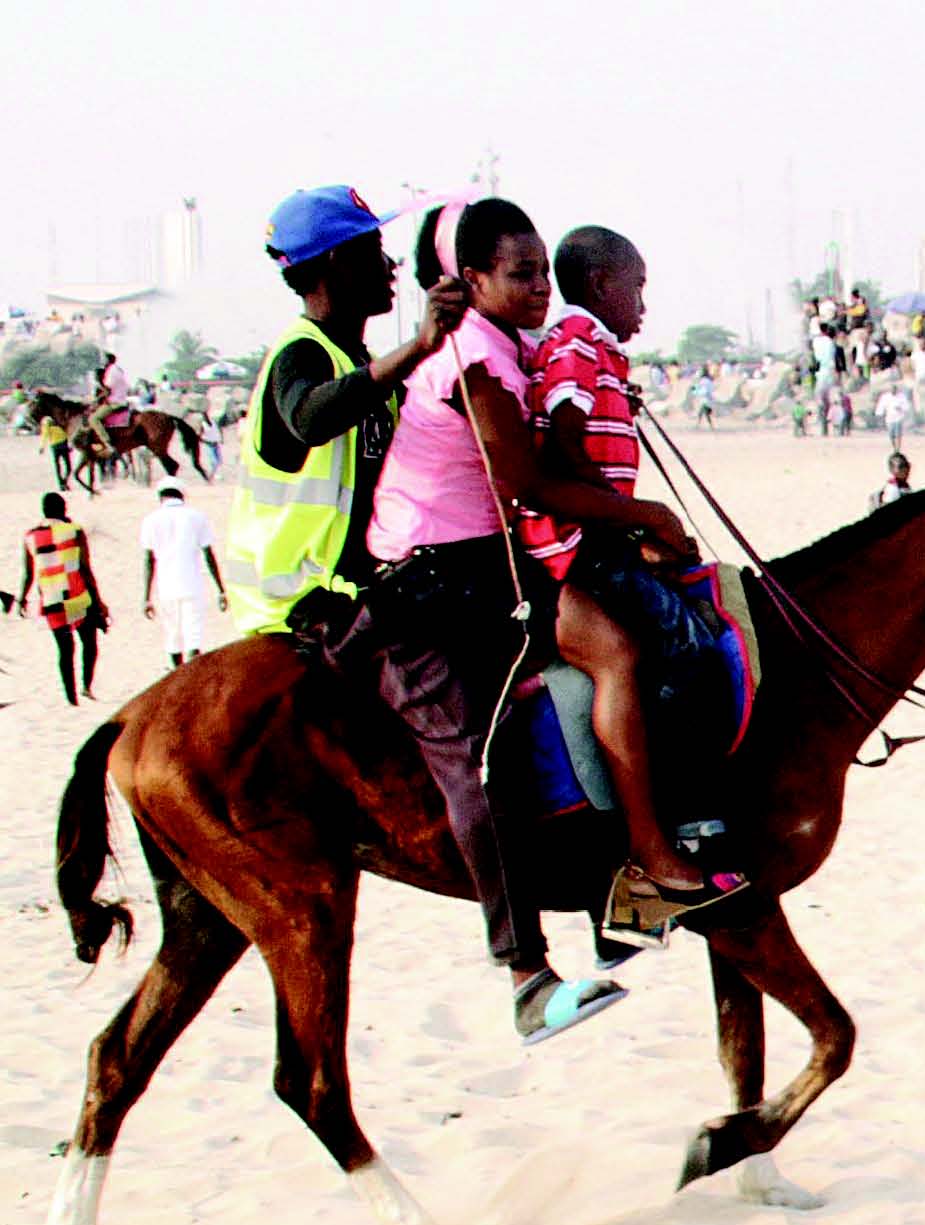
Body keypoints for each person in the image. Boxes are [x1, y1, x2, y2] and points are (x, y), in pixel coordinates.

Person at [366, 198, 629, 1044]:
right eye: (519, 275)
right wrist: (646, 518)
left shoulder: (511, 346)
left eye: (545, 271)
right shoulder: (473, 354)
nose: (540, 288)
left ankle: (620, 898)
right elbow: (530, 483)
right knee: (479, 765)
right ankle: (524, 976)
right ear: (470, 281)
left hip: (482, 569)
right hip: (427, 583)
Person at [513, 223, 748, 931]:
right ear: (598, 285)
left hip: (602, 535)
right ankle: (679, 830)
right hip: (579, 544)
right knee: (686, 651)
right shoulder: (577, 343)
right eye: (636, 287)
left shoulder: (596, 351)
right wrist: (631, 517)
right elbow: (562, 446)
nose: (644, 303)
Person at [225, 184, 469, 636]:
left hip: (347, 591)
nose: (390, 267)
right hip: (297, 601)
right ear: (339, 263)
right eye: (375, 251)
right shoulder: (301, 352)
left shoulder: (358, 360)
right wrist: (418, 347)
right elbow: (310, 419)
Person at [20, 491, 107, 705]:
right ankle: (86, 685)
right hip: (77, 596)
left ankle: (71, 698)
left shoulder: (30, 536)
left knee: (65, 650)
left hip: (52, 601)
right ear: (64, 509)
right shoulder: (74, 531)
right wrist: (99, 600)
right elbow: (85, 568)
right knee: (89, 642)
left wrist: (22, 598)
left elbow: (29, 574)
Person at [140, 476, 226, 666]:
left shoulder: (150, 520)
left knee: (172, 634)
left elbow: (149, 560)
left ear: (160, 497)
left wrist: (146, 597)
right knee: (193, 635)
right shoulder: (196, 516)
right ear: (182, 495)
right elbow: (209, 555)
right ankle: (192, 675)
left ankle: (175, 673)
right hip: (192, 582)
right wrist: (221, 589)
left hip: (166, 586)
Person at [86, 350, 131, 451]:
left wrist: (96, 400)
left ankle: (107, 442)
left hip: (115, 402)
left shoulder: (111, 371)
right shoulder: (118, 370)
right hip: (122, 399)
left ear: (107, 361)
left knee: (93, 419)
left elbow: (107, 391)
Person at [876, 384, 911, 450]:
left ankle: (898, 448)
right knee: (891, 435)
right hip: (889, 419)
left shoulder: (902, 396)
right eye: (892, 390)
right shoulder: (885, 397)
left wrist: (901, 408)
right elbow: (881, 406)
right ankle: (894, 447)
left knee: (898, 434)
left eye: (895, 390)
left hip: (899, 418)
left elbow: (906, 406)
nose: (893, 391)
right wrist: (879, 415)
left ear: (897, 390)